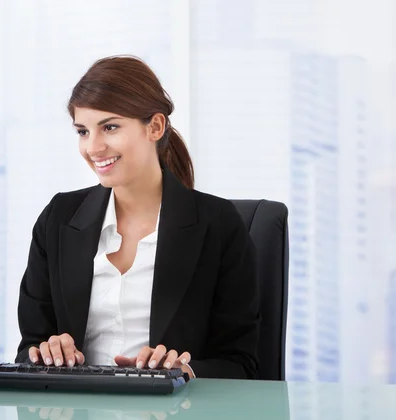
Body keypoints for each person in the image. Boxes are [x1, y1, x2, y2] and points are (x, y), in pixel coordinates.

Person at [15, 56, 260, 379]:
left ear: (155, 127)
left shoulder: (218, 224)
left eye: (110, 127)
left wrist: (184, 371)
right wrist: (47, 353)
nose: (94, 147)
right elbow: (28, 350)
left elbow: (243, 364)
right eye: (83, 131)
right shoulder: (59, 219)